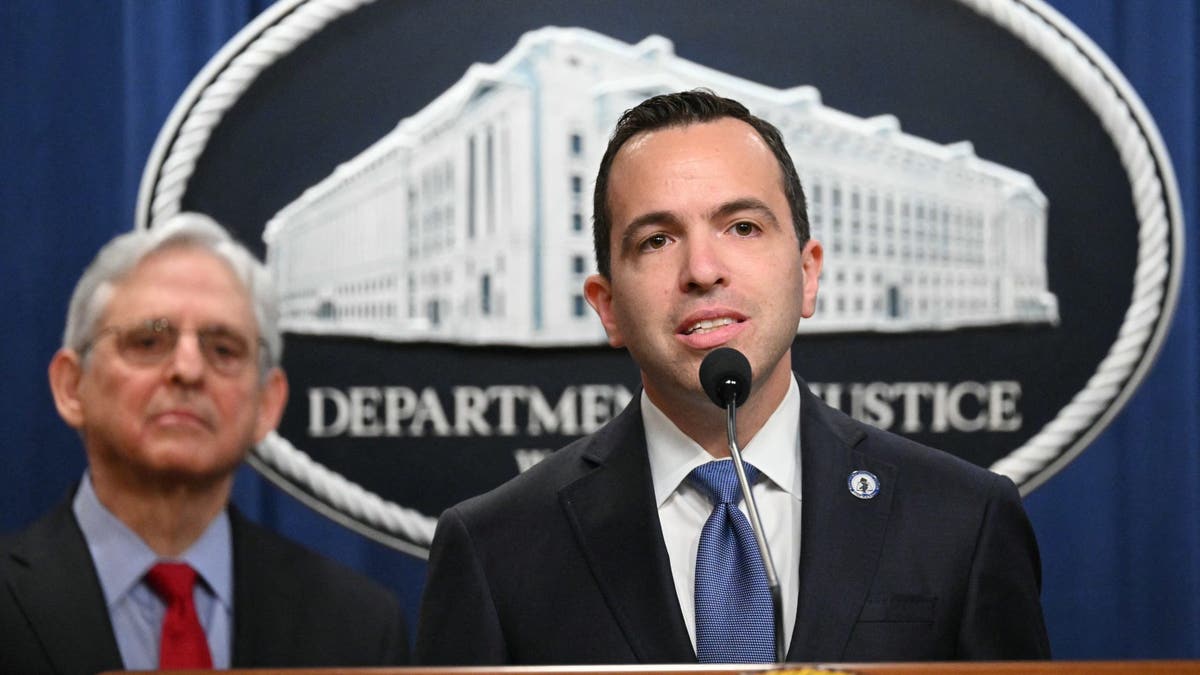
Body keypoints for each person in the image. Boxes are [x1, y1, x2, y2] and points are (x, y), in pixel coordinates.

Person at [415, 90, 1050, 664]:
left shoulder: (963, 519)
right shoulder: (495, 547)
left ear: (809, 272)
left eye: (742, 226)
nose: (703, 269)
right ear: (607, 307)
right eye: (657, 240)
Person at [0, 214, 409, 674]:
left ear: (267, 405)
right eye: (148, 341)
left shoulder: (357, 627)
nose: (188, 370)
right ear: (72, 387)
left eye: (224, 350)